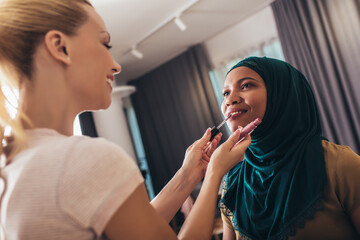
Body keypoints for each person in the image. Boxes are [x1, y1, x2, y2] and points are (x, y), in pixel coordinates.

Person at [0, 0, 252, 239]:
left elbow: (126, 229)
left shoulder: (14, 162)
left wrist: (188, 175)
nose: (116, 66)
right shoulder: (80, 160)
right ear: (60, 47)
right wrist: (215, 172)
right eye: (104, 45)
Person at [219, 56, 360, 240]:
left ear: (282, 94)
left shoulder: (340, 164)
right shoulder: (233, 181)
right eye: (226, 93)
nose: (230, 100)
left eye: (246, 85)